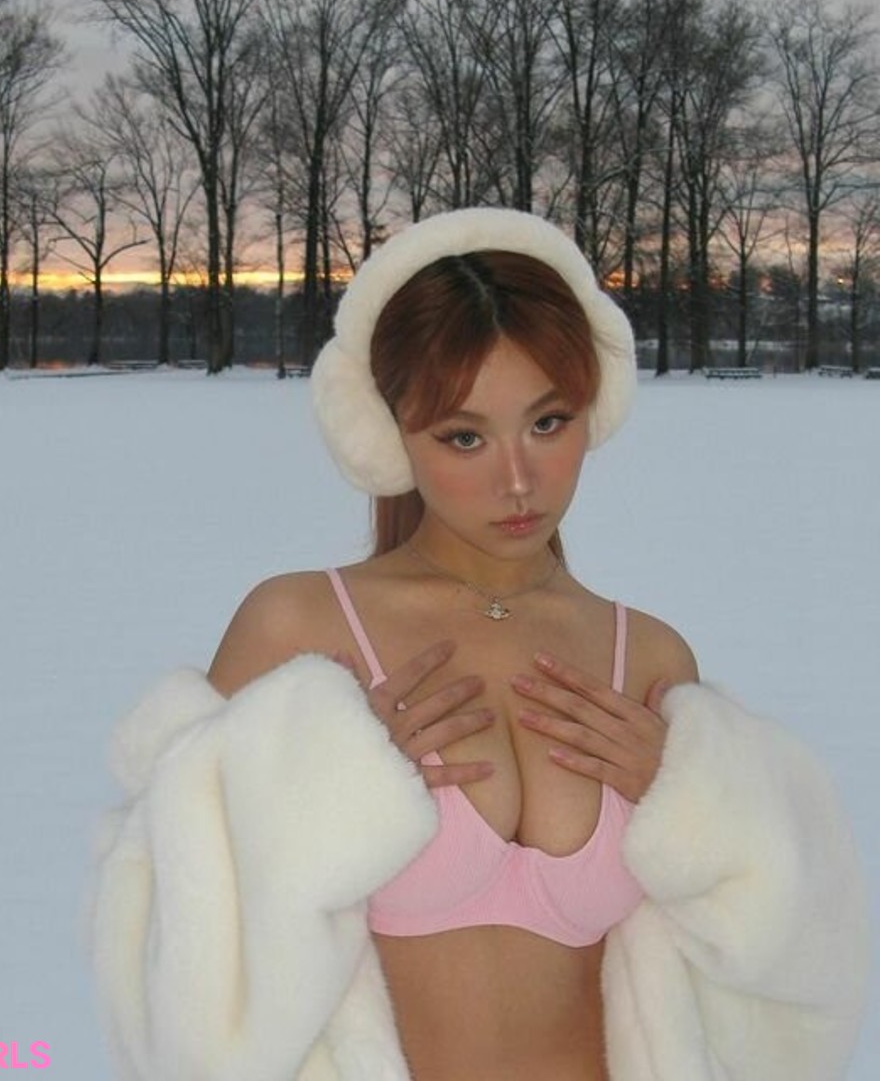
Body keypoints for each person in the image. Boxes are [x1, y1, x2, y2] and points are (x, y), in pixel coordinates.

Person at [92, 209, 869, 1081]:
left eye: (549, 422)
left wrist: (707, 807)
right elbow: (165, 962)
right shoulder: (299, 627)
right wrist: (321, 782)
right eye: (464, 436)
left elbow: (793, 976)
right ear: (388, 434)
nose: (518, 479)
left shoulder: (648, 655)